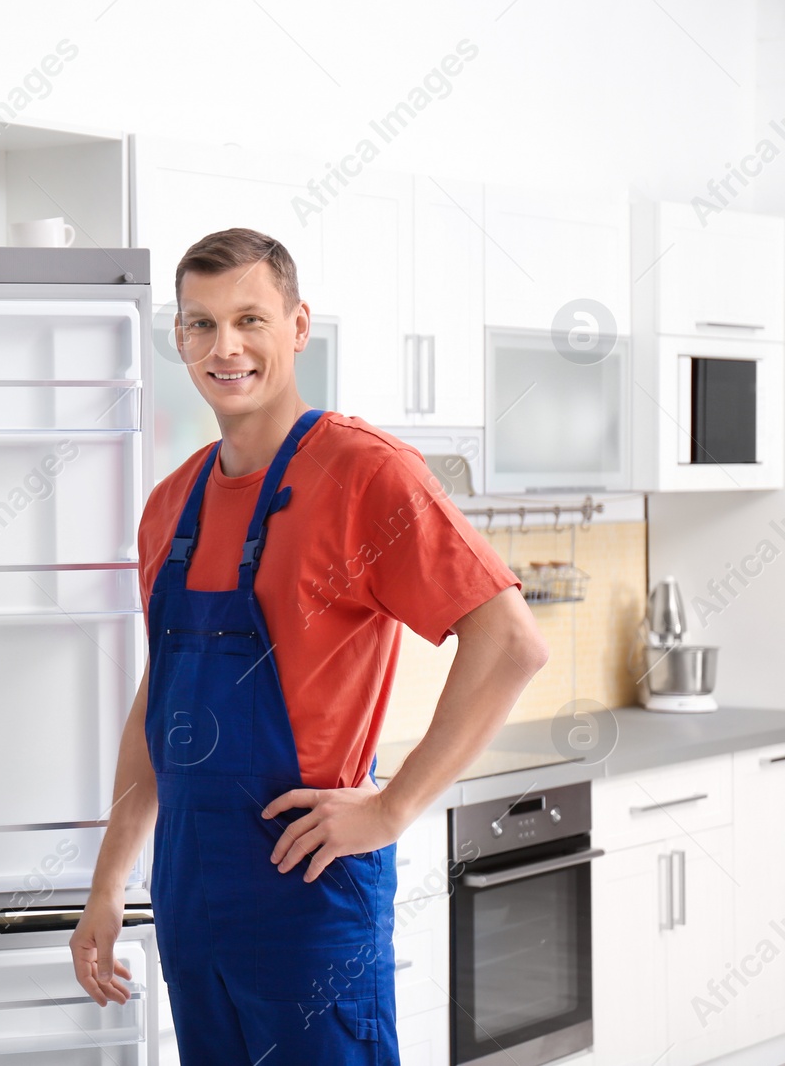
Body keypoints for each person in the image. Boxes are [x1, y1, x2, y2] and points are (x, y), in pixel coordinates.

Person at [69, 228, 549, 1064]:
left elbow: (510, 641)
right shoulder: (169, 506)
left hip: (308, 891)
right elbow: (164, 698)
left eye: (250, 318)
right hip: (188, 894)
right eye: (200, 324)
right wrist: (110, 879)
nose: (226, 347)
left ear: (298, 326)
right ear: (178, 336)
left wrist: (392, 807)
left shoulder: (366, 474)